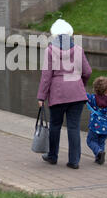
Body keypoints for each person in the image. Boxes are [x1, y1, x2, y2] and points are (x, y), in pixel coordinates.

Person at [37, 19, 92, 169]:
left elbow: (46, 76)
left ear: (54, 34)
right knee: (74, 127)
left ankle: (52, 156)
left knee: (55, 125)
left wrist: (41, 96)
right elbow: (87, 72)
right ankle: (74, 161)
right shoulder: (78, 49)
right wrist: (81, 84)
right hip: (77, 94)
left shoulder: (49, 50)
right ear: (70, 32)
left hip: (58, 94)